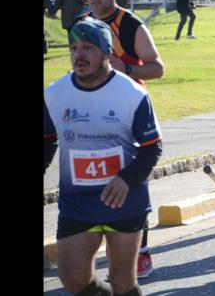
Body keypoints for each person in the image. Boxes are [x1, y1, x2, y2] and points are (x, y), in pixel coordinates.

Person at [44, 17, 163, 295]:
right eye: (74, 48)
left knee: (122, 281)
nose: (79, 55)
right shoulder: (55, 94)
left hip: (124, 198)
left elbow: (152, 148)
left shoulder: (131, 93)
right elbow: (46, 142)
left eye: (88, 47)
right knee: (72, 277)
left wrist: (125, 179)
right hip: (77, 200)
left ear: (107, 53)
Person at [82, 0, 165, 278]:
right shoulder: (83, 23)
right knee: (97, 180)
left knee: (131, 180)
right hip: (92, 114)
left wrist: (126, 69)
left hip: (130, 112)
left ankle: (141, 251)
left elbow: (157, 68)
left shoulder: (130, 25)